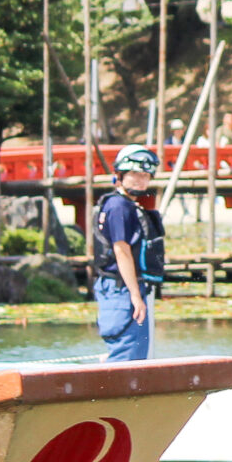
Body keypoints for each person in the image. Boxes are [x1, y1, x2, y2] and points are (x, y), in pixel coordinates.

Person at [93, 145, 167, 362]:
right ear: (120, 174)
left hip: (125, 287)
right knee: (127, 355)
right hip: (121, 289)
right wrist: (135, 294)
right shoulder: (119, 206)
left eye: (145, 175)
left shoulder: (126, 205)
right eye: (135, 174)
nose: (140, 180)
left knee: (136, 355)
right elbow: (121, 250)